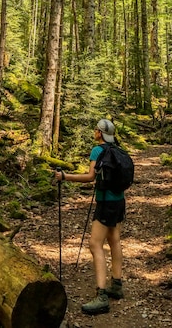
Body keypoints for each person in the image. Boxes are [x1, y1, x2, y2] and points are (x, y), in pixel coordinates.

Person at [55, 119, 125, 315]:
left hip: (105, 204)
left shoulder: (98, 150)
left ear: (100, 133)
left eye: (96, 129)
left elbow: (90, 177)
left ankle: (102, 295)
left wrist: (65, 177)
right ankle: (117, 285)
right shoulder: (117, 150)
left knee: (95, 245)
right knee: (114, 240)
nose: (94, 132)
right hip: (119, 201)